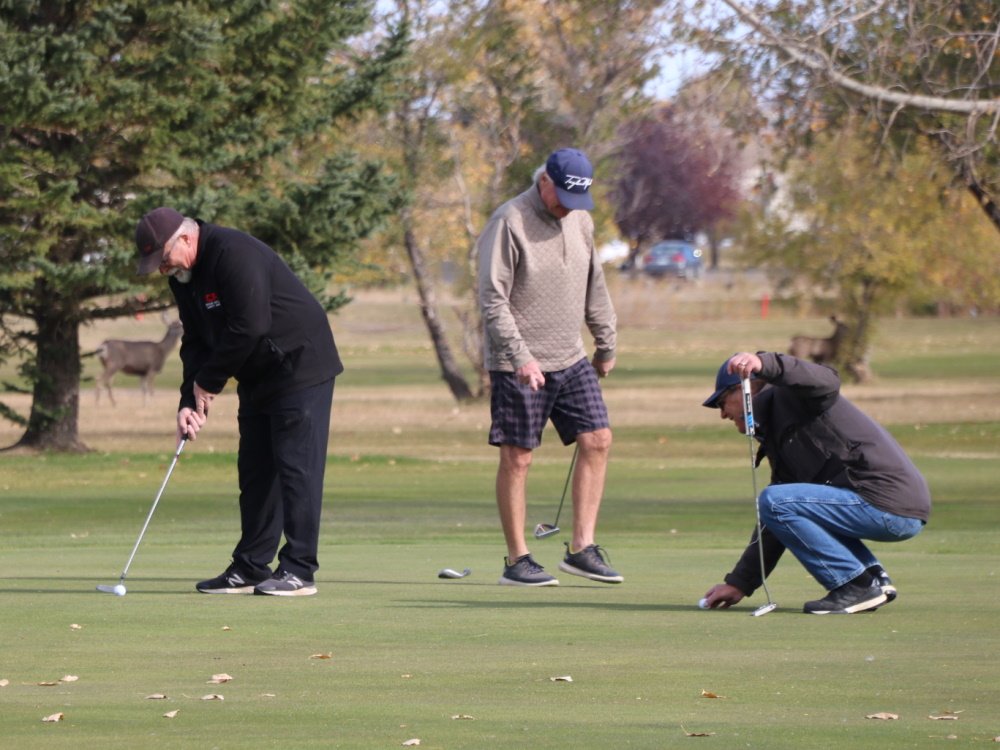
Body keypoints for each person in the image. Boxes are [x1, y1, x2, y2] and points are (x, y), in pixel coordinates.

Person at [134, 207, 343, 596]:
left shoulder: (232, 252)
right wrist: (188, 400)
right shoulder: (184, 277)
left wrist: (210, 382)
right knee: (256, 472)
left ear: (185, 239)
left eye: (163, 259)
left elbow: (250, 325)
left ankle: (299, 570)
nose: (163, 270)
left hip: (300, 363)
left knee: (296, 470)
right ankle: (250, 567)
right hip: (258, 372)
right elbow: (195, 341)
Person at [477, 147, 622, 587]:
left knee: (597, 439)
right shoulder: (509, 221)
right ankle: (518, 559)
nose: (568, 209)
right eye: (562, 197)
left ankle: (581, 548)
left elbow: (593, 283)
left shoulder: (580, 218)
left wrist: (606, 341)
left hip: (571, 356)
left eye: (577, 200)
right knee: (518, 457)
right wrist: (520, 357)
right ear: (544, 182)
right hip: (517, 361)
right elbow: (492, 299)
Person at [700, 351, 931, 614]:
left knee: (775, 499)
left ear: (745, 388)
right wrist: (740, 583)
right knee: (778, 501)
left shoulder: (792, 395)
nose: (722, 415)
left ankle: (855, 585)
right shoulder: (778, 436)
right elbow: (774, 521)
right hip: (885, 507)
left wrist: (765, 364)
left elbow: (827, 379)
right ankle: (871, 578)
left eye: (721, 403)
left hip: (887, 503)